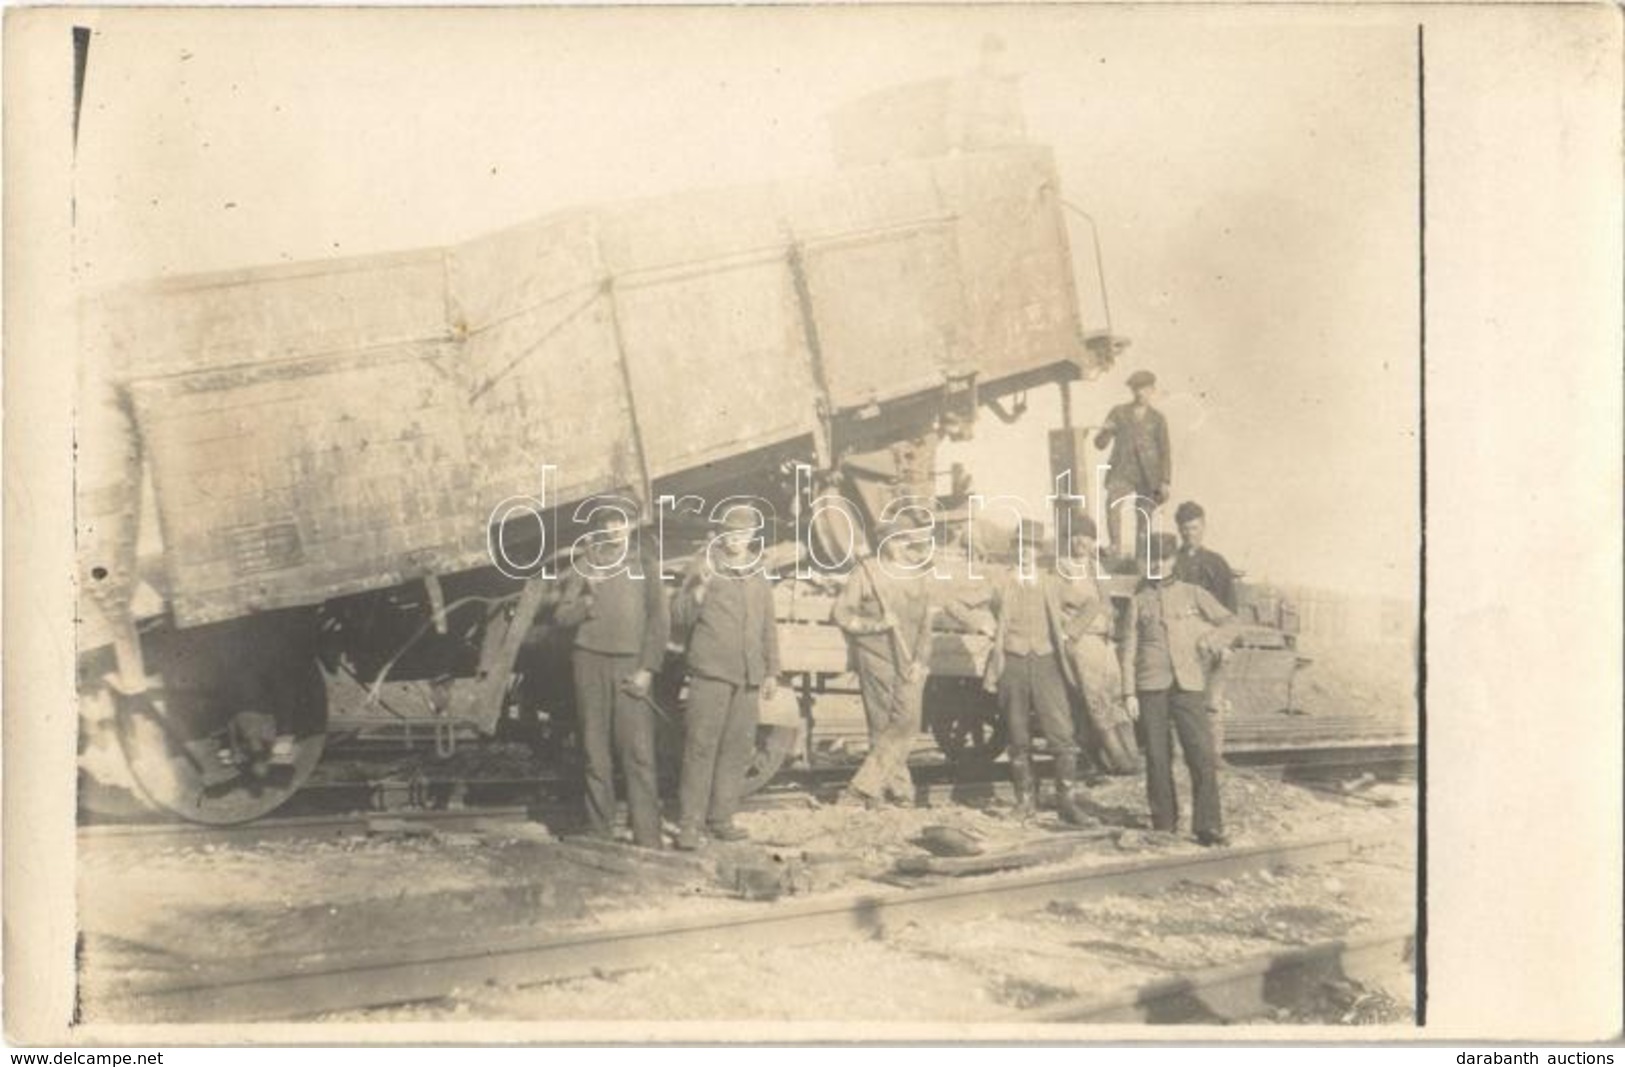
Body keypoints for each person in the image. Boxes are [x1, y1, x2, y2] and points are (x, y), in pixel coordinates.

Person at [950, 524, 1092, 824]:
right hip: (1011, 664)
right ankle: (1025, 801)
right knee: (1017, 736)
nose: (1026, 551)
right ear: (1014, 549)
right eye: (1021, 545)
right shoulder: (1000, 583)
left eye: (1032, 546)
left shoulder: (1052, 583)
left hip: (1047, 664)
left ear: (1039, 551)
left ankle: (1067, 802)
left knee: (1062, 735)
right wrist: (980, 625)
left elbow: (1091, 603)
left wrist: (1070, 633)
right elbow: (954, 603)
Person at [553, 510, 671, 848]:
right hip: (589, 662)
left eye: (619, 521)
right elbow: (562, 616)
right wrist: (588, 600)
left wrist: (648, 668)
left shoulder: (644, 562)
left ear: (631, 524)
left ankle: (648, 836)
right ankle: (599, 830)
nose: (613, 528)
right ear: (599, 527)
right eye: (606, 522)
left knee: (638, 752)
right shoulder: (586, 563)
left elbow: (658, 620)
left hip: (630, 666)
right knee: (595, 750)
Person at [1120, 532, 1241, 846]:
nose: (1157, 565)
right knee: (1157, 757)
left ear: (1173, 560)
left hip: (1187, 683)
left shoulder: (1192, 594)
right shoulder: (1138, 600)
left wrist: (1210, 642)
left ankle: (1208, 826)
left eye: (1163, 558)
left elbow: (1231, 623)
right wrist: (1128, 692)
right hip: (1150, 685)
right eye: (1152, 559)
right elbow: (1128, 649)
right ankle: (1164, 823)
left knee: (1200, 753)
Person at [671, 507, 781, 850]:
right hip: (712, 670)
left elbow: (767, 623)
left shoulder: (757, 569)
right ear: (722, 534)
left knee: (736, 750)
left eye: (744, 534)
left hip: (748, 675)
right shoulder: (704, 565)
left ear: (752, 536)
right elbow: (679, 616)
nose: (737, 540)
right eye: (731, 533)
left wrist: (772, 670)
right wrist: (698, 593)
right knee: (700, 748)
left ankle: (721, 818)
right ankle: (690, 824)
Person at [831, 517, 935, 809]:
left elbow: (927, 625)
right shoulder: (867, 572)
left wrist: (921, 660)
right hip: (875, 657)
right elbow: (841, 614)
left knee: (908, 723)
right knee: (881, 724)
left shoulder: (918, 575)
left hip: (910, 660)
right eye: (894, 541)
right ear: (883, 543)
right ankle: (897, 793)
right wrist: (877, 624)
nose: (900, 546)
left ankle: (863, 787)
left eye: (904, 540)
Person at [1056, 510, 1142, 776]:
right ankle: (1120, 759)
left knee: (1116, 694)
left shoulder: (1097, 568)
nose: (1081, 541)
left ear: (1094, 541)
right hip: (1083, 639)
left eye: (1087, 536)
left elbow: (1108, 602)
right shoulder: (1063, 567)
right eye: (1076, 536)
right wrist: (1070, 634)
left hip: (1105, 640)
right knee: (1096, 699)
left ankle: (1132, 754)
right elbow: (1057, 605)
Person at [1093, 370, 1172, 561]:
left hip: (1149, 475)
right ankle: (1114, 547)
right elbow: (1099, 444)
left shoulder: (1158, 419)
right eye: (1136, 389)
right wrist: (1105, 432)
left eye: (1144, 389)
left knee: (1144, 514)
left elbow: (1165, 451)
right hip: (1122, 470)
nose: (1139, 393)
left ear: (1152, 390)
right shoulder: (1118, 412)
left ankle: (1141, 557)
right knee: (1112, 502)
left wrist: (1165, 481)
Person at [1171, 501, 1238, 612]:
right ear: (1179, 529)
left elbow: (1229, 605)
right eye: (1185, 528)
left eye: (1194, 528)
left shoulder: (1217, 563)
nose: (1190, 533)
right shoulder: (1170, 562)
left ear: (1203, 527)